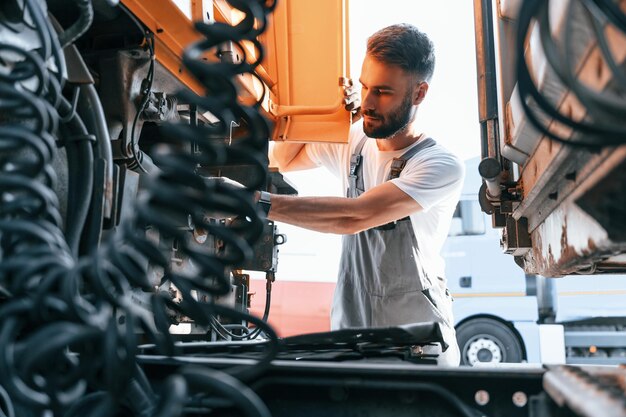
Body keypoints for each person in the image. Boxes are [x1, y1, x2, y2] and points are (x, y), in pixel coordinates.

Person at [265, 24, 464, 365]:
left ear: (419, 94)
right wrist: (333, 113)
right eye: (365, 86)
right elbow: (284, 158)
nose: (369, 102)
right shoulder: (355, 141)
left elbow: (354, 215)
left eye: (384, 92)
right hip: (353, 338)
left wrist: (254, 204)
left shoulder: (439, 165)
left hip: (416, 349)